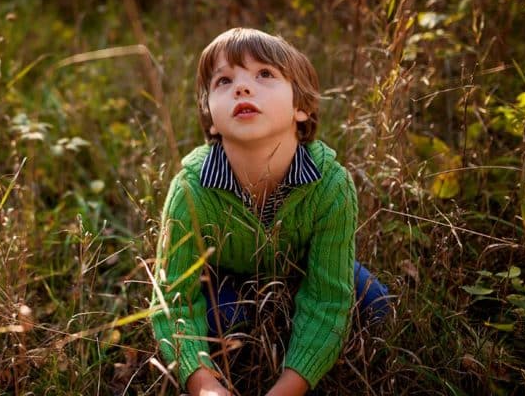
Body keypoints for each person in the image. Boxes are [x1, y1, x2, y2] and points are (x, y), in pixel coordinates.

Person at [150, 28, 388, 396]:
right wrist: (204, 385)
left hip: (305, 272)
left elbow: (328, 296)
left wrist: (289, 388)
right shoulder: (189, 190)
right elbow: (173, 298)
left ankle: (304, 347)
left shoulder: (330, 185)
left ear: (301, 106)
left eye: (265, 75)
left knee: (373, 304)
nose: (242, 88)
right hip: (229, 284)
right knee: (224, 324)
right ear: (211, 117)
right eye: (224, 80)